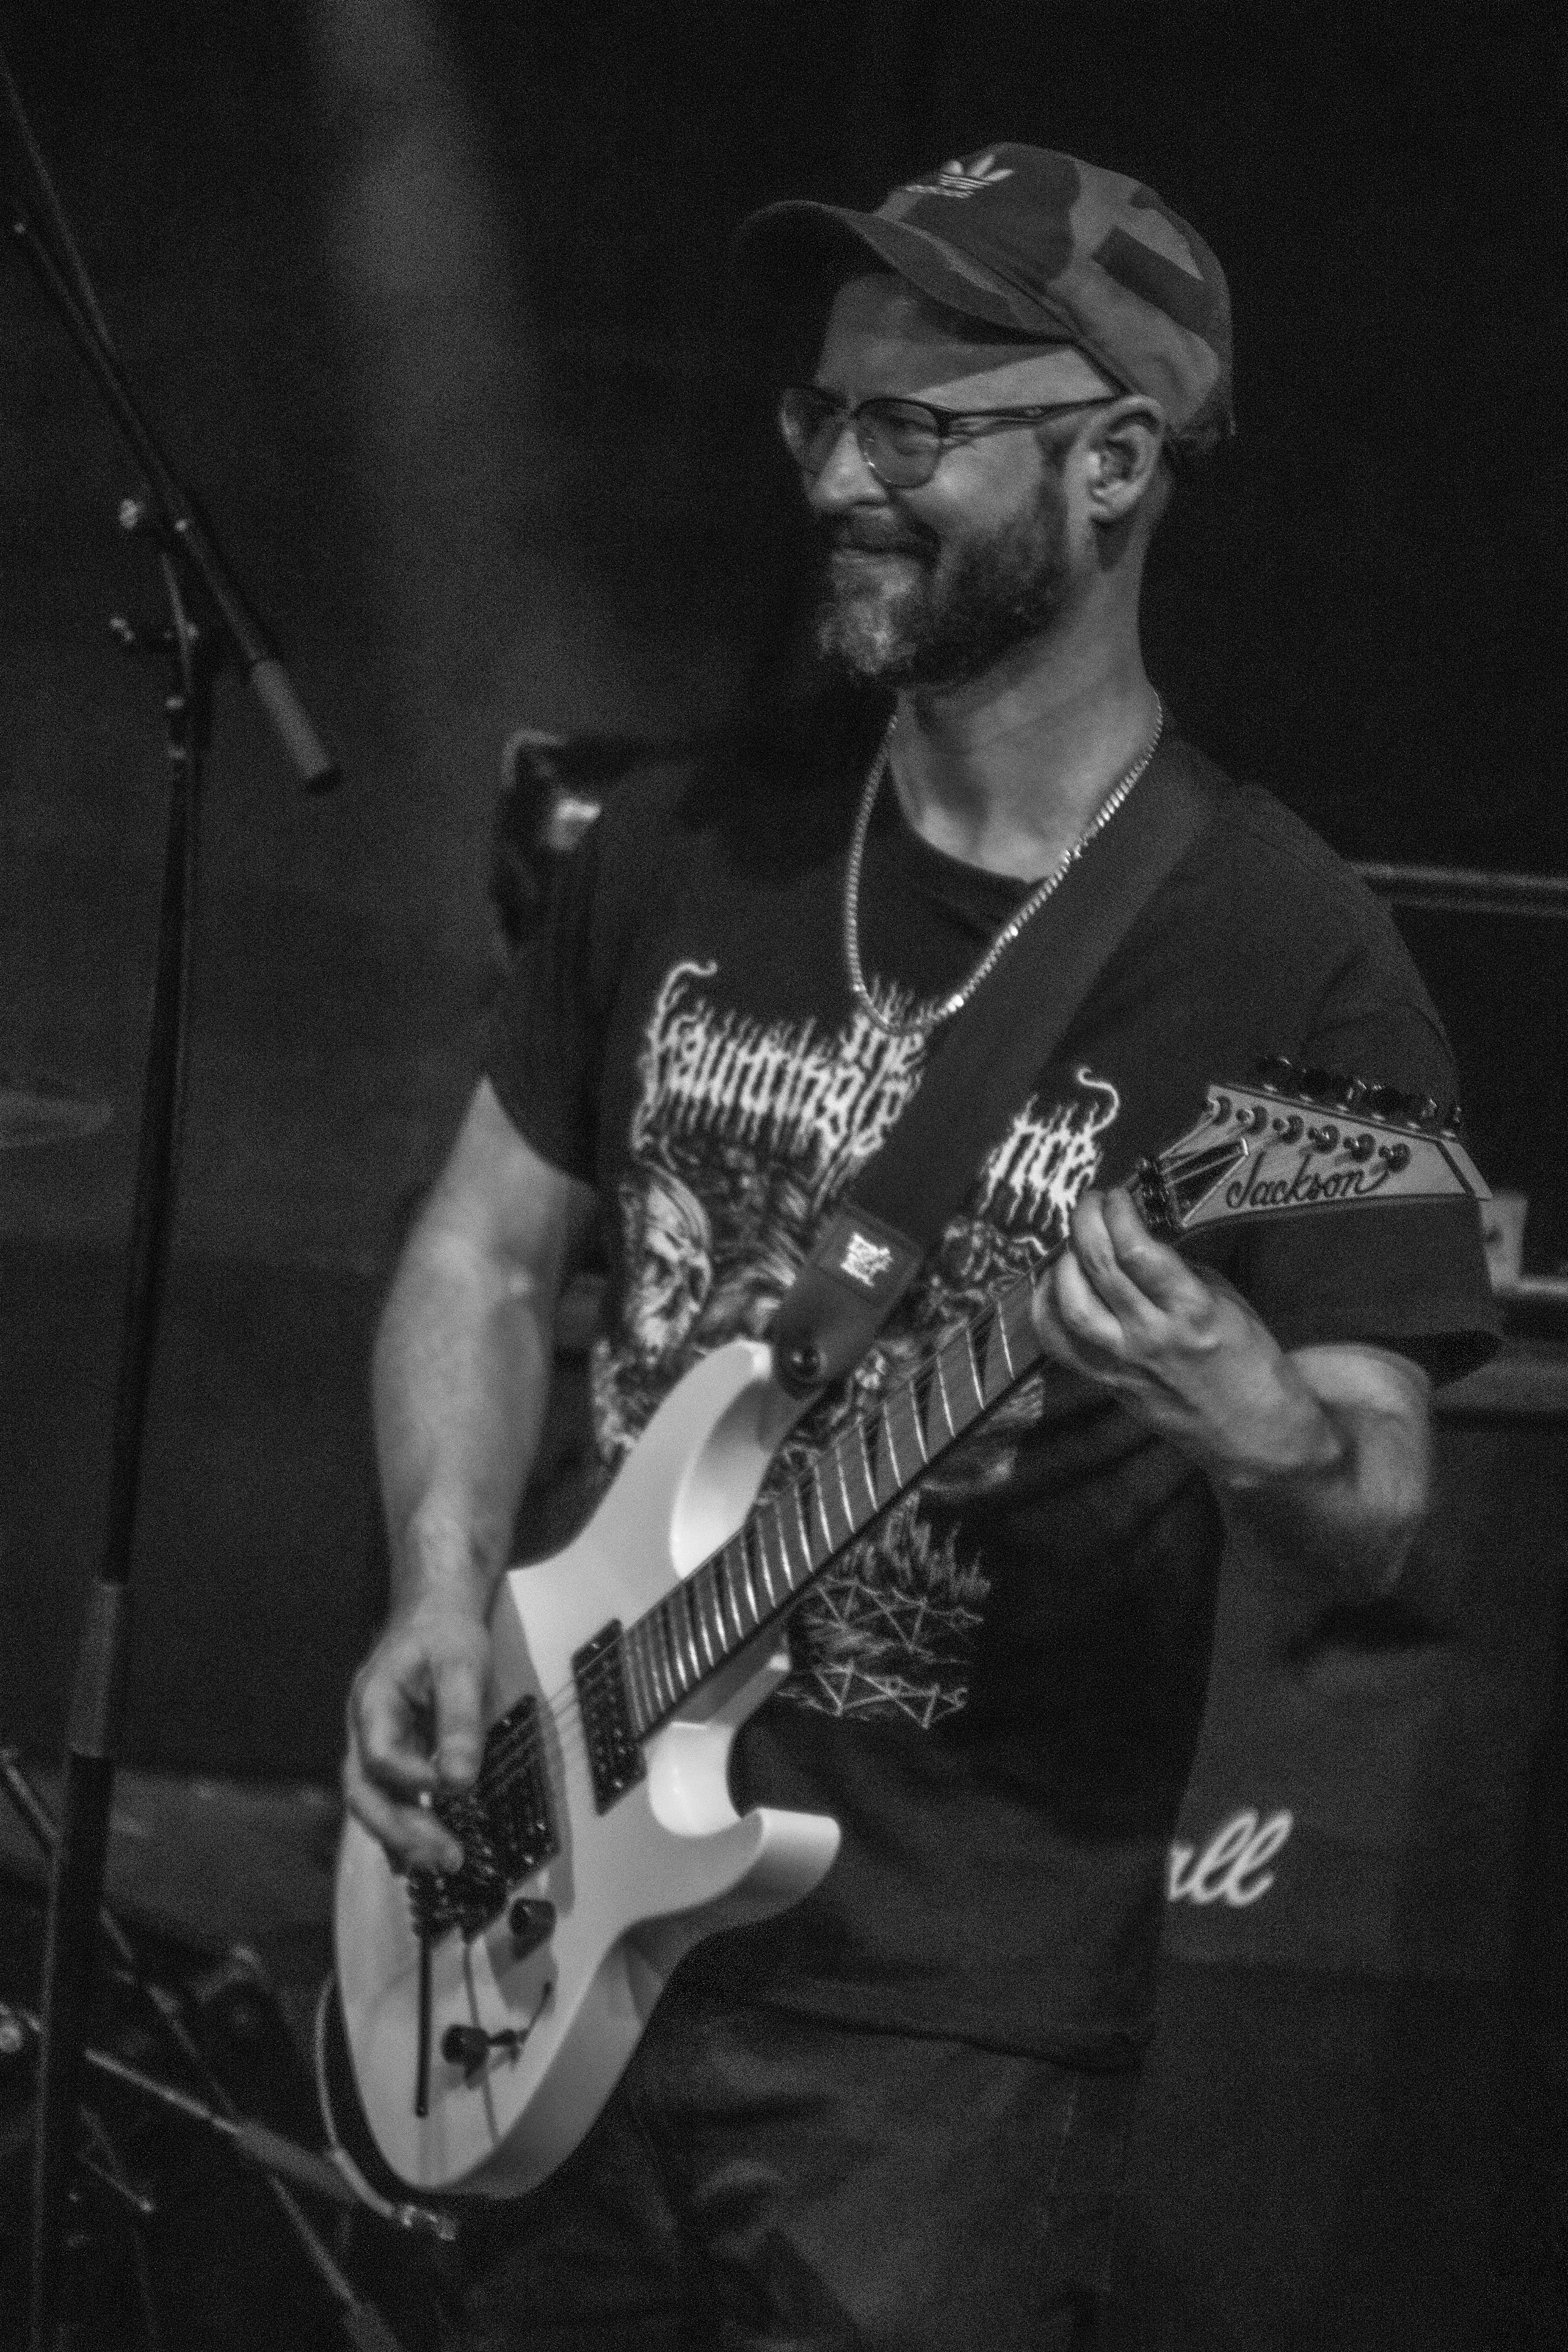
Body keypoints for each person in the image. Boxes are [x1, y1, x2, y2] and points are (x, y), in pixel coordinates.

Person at [342, 144, 1496, 2348]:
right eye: (824, 419)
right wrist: (434, 1584)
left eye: (918, 429)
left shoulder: (1287, 962)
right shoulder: (687, 835)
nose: (839, 480)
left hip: (937, 2035)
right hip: (547, 1894)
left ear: (1118, 466)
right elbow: (486, 1256)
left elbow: (1384, 1510)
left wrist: (1259, 1428)